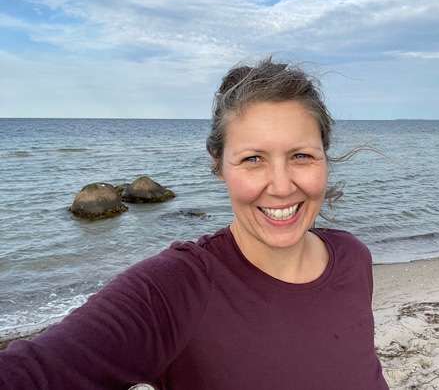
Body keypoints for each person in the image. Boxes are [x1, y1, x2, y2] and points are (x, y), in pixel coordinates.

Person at [0, 58, 389, 390]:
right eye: (253, 159)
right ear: (218, 165)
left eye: (301, 155)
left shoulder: (352, 257)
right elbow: (35, 371)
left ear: (324, 157)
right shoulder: (176, 288)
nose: (282, 185)